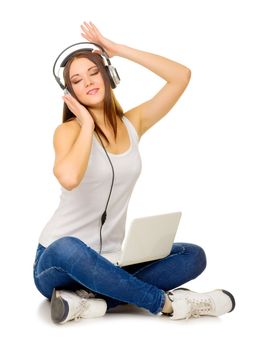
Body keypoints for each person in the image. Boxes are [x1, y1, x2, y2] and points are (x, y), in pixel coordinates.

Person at [33, 21, 235, 324]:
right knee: (70, 247)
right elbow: (70, 178)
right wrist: (87, 124)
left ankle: (89, 302)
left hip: (111, 262)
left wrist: (117, 50)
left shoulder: (132, 124)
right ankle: (166, 304)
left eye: (94, 72)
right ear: (70, 91)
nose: (88, 81)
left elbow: (181, 77)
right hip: (58, 262)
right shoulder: (67, 132)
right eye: (77, 80)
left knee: (192, 255)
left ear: (108, 75)